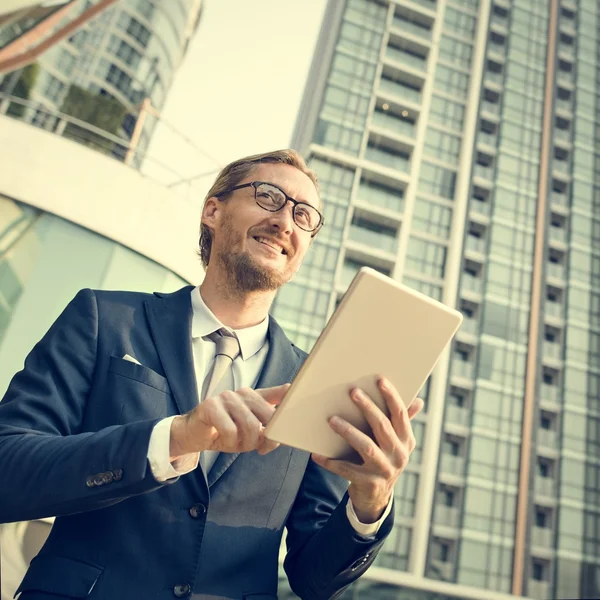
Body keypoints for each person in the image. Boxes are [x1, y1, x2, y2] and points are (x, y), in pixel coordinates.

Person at [0, 150, 423, 600]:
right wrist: (176, 438)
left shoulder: (317, 383)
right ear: (213, 210)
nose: (285, 221)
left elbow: (315, 580)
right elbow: (8, 469)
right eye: (269, 196)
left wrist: (370, 502)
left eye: (304, 216)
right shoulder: (105, 318)